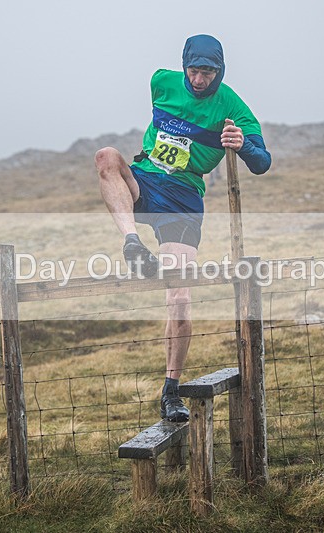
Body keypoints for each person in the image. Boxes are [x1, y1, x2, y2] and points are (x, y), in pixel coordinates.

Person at [95, 35, 272, 422]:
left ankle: (170, 391)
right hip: (146, 178)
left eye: (207, 72)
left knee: (178, 299)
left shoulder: (233, 108)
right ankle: (131, 243)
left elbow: (262, 163)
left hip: (184, 198)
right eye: (193, 70)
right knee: (107, 157)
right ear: (183, 66)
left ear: (219, 72)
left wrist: (243, 145)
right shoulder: (161, 81)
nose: (198, 79)